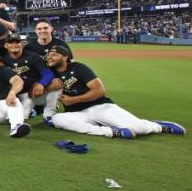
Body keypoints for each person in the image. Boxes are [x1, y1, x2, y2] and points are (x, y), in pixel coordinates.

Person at [46, 46, 185, 138]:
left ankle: (156, 126)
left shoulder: (79, 68)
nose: (50, 57)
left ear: (65, 57)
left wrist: (73, 100)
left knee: (139, 130)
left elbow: (99, 91)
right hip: (79, 114)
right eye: (49, 55)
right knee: (58, 119)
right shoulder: (50, 73)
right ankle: (109, 131)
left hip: (100, 107)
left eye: (55, 54)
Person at [1, 34, 60, 119]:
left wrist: (41, 84)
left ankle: (49, 113)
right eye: (10, 42)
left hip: (32, 92)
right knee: (13, 117)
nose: (14, 44)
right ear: (6, 45)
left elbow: (48, 73)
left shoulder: (33, 57)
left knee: (56, 83)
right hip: (16, 93)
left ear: (22, 44)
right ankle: (38, 108)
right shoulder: (3, 59)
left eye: (17, 42)